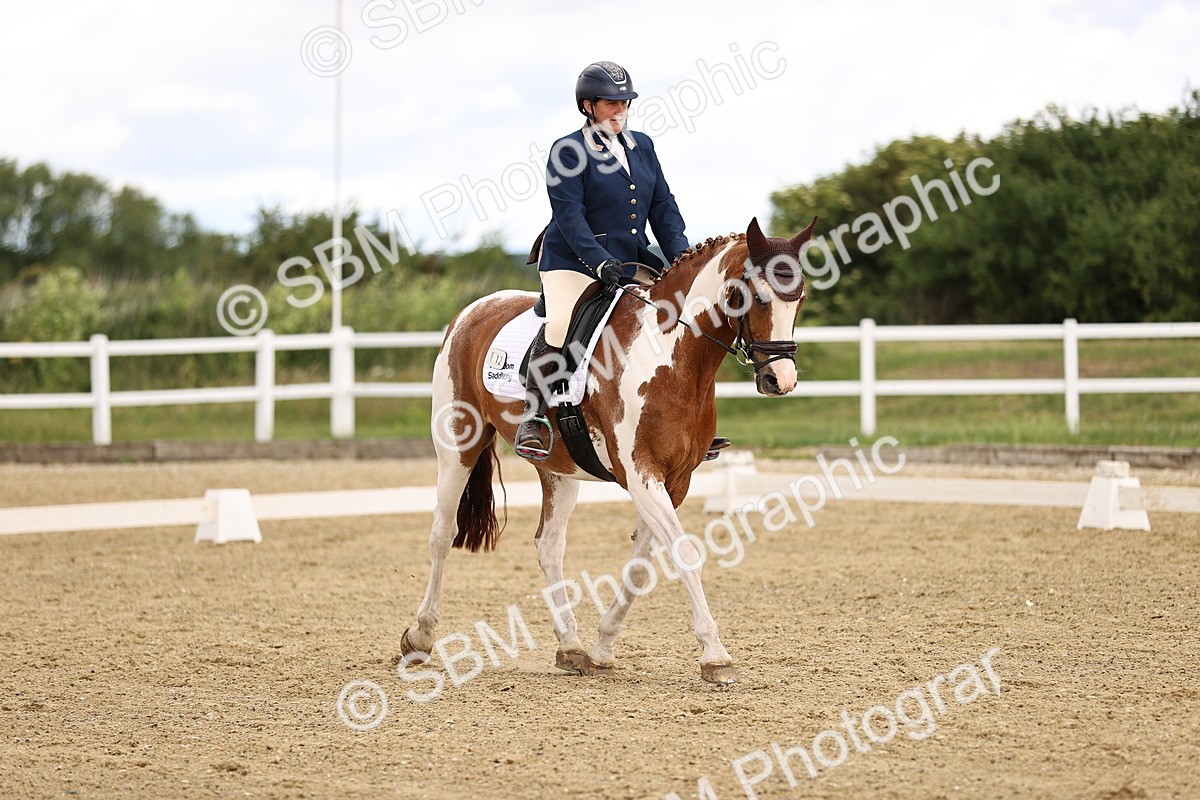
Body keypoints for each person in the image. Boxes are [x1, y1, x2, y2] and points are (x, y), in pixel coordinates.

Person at [516, 60, 691, 461]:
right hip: (572, 260)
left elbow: (663, 205)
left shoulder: (642, 145)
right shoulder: (568, 150)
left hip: (630, 259)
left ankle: (683, 422)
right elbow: (570, 216)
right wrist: (598, 262)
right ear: (588, 106)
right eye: (610, 103)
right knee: (561, 323)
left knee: (677, 318)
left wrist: (681, 257)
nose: (619, 110)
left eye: (624, 102)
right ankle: (534, 415)